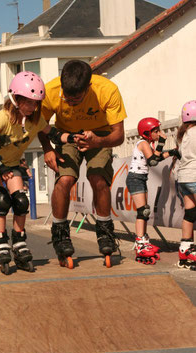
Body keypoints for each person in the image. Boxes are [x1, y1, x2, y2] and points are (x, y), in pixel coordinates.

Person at [0, 71, 71, 273]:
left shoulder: (35, 119)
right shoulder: (3, 117)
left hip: (12, 163)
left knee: (21, 201)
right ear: (16, 99)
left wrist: (73, 139)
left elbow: (54, 134)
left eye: (36, 102)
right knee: (2, 199)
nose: (33, 107)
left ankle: (19, 243)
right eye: (29, 102)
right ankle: (1, 242)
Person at [38, 59, 127, 267]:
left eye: (76, 100)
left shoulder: (107, 90)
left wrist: (98, 141)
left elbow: (119, 135)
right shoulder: (50, 91)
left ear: (88, 87)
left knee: (98, 178)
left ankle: (105, 232)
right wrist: (47, 149)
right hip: (66, 136)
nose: (71, 103)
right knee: (65, 179)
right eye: (67, 99)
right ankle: (60, 234)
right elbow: (39, 125)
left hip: (100, 135)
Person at [126, 117, 180, 264]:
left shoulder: (147, 144)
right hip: (135, 178)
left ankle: (143, 239)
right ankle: (140, 243)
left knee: (145, 211)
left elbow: (157, 156)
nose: (159, 133)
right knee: (142, 211)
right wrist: (162, 142)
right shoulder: (143, 143)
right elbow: (153, 161)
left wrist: (173, 152)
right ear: (147, 132)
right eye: (156, 131)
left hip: (140, 178)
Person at [176, 100, 196, 270]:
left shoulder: (184, 134)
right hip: (195, 175)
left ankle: (185, 249)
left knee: (190, 212)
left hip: (184, 177)